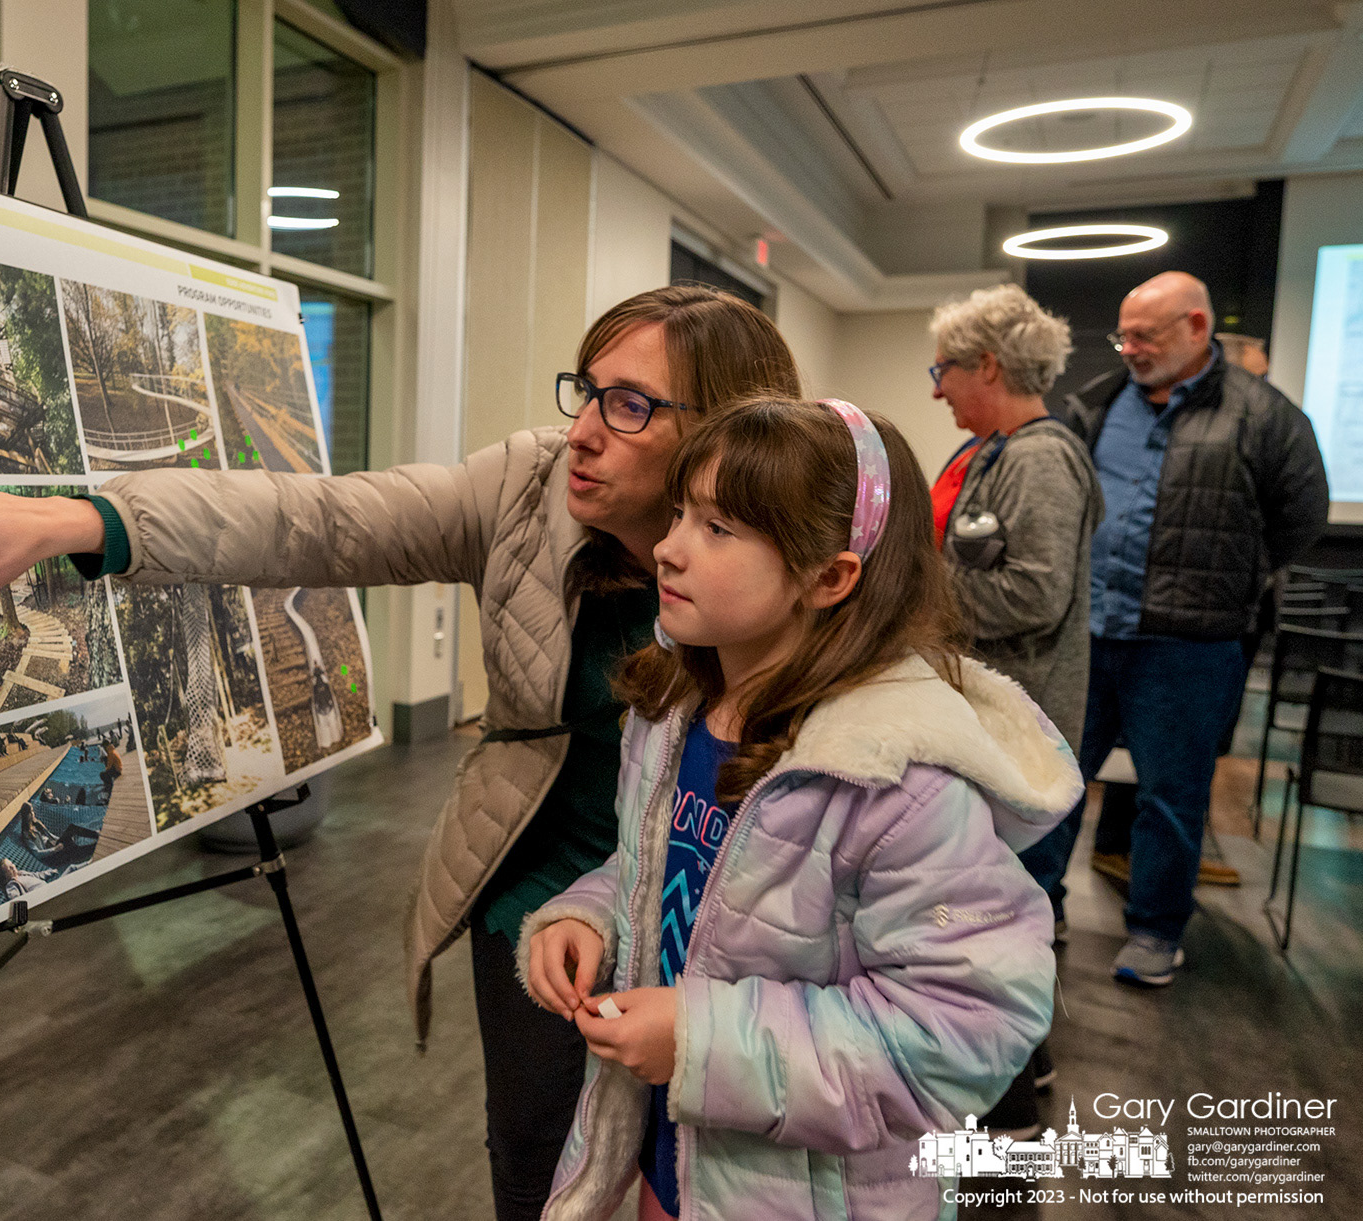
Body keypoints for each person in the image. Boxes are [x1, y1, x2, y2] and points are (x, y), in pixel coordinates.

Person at [0, 284, 802, 1221]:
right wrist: (74, 521)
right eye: (585, 390)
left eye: (629, 406)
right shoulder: (529, 487)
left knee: (711, 1170)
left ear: (717, 432)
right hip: (540, 888)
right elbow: (316, 521)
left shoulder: (788, 556)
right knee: (543, 1166)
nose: (584, 429)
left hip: (707, 899)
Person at [523, 397, 1076, 1220]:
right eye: (680, 513)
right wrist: (592, 915)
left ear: (829, 576)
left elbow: (968, 1029)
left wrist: (700, 1041)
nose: (668, 548)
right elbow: (675, 869)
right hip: (670, 1163)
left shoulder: (896, 780)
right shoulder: (675, 711)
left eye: (718, 528)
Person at [1031, 271, 1328, 987]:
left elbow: (1301, 515)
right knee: (1054, 778)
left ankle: (1156, 931)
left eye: (1146, 335)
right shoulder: (1098, 405)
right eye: (1123, 334)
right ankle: (1039, 910)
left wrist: (1233, 573)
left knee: (1172, 794)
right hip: (1093, 631)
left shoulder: (1264, 415)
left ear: (1197, 327)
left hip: (1190, 642)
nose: (1129, 347)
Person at [927, 284, 1096, 1136]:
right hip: (996, 718)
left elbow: (1033, 593)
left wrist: (914, 594)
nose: (937, 389)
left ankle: (1009, 1116)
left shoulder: (1038, 458)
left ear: (987, 364)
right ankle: (1022, 1066)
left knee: (996, 921)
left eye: (944, 369)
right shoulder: (999, 452)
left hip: (1024, 729)